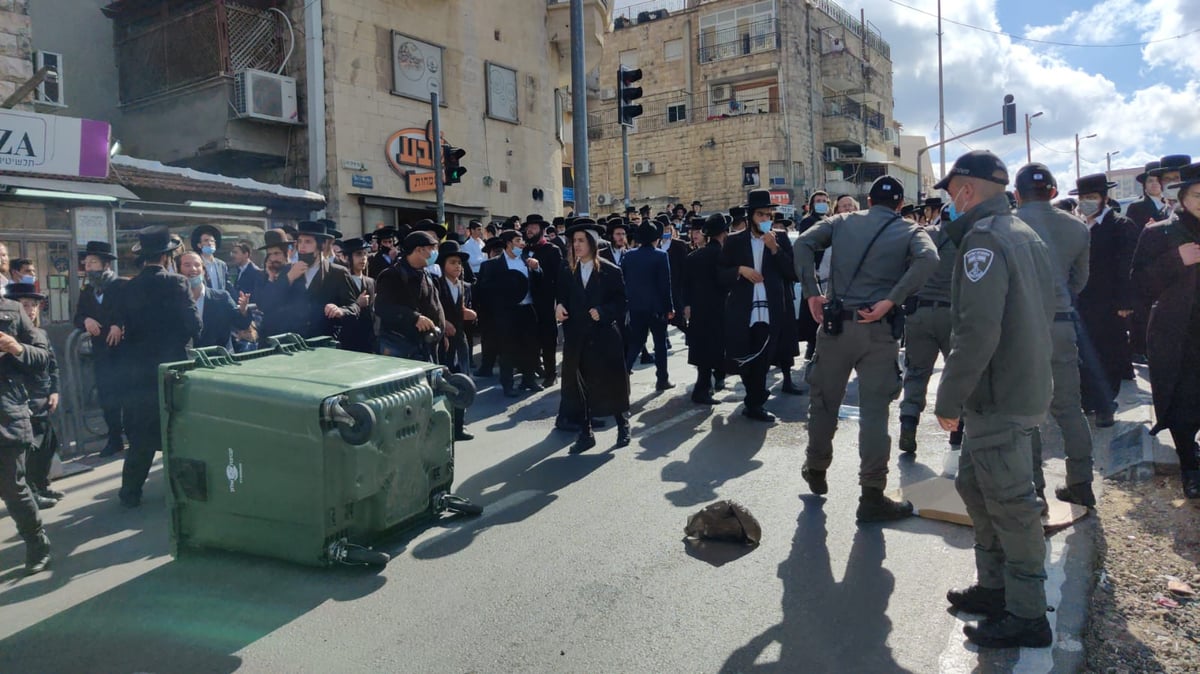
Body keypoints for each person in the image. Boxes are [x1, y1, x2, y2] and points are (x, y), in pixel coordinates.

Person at [932, 150, 1056, 649]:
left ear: (966, 190)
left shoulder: (984, 240)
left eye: (952, 193)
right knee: (975, 488)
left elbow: (977, 330)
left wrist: (948, 397)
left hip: (1000, 394)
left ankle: (1026, 615)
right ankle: (994, 587)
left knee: (1010, 506)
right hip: (1014, 387)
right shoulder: (1024, 232)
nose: (950, 203)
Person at [794, 176, 937, 521]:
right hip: (879, 330)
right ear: (901, 205)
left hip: (835, 325)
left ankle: (816, 467)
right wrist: (892, 299)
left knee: (824, 402)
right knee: (875, 413)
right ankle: (871, 495)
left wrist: (812, 290)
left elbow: (802, 244)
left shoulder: (842, 221)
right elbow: (929, 259)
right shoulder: (909, 230)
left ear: (869, 201)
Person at [1013, 163, 1096, 507]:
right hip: (1061, 322)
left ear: (1016, 194)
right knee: (1069, 407)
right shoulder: (1077, 227)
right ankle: (1081, 481)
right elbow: (1080, 281)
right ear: (1053, 192)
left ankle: (1035, 490)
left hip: (1020, 325)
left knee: (1025, 411)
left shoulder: (1005, 225)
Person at [119, 225, 203, 508]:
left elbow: (126, 329)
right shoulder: (177, 283)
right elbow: (195, 324)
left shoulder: (128, 287)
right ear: (167, 256)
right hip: (173, 369)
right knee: (178, 431)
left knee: (141, 436)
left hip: (139, 373)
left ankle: (130, 493)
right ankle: (182, 493)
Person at [1131, 161, 1200, 499]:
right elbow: (1140, 283)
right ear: (1183, 196)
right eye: (1197, 194)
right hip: (1179, 332)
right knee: (1184, 400)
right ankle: (1189, 464)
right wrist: (1176, 259)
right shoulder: (1159, 232)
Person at [722, 189, 799, 422]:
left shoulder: (781, 238)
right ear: (750, 217)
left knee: (764, 356)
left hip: (771, 307)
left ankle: (756, 402)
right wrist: (740, 270)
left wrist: (775, 249)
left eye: (769, 215)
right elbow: (719, 273)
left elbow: (793, 272)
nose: (766, 220)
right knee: (745, 356)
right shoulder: (734, 241)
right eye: (761, 215)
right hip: (743, 308)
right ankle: (752, 397)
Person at [556, 219, 631, 453]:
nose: (576, 245)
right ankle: (586, 433)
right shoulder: (568, 269)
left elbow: (621, 302)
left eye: (581, 240)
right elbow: (561, 295)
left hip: (604, 337)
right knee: (580, 387)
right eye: (574, 241)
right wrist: (558, 306)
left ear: (592, 242)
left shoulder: (610, 270)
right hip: (577, 338)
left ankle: (622, 424)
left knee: (612, 383)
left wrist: (603, 312)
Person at [1072, 173, 1139, 427]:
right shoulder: (1076, 225)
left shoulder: (1120, 225)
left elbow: (1127, 265)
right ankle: (1088, 400)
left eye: (1092, 197)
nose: (1087, 202)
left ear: (1104, 198)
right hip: (1079, 302)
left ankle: (1105, 404)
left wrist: (1125, 301)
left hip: (1109, 303)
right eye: (1083, 198)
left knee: (1108, 353)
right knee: (1083, 354)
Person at [898, 197, 960, 454]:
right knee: (957, 375)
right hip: (954, 315)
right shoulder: (969, 241)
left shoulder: (922, 236)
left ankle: (909, 423)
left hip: (919, 313)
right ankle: (957, 435)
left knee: (916, 372)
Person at [0, 281, 51, 574]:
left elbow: (42, 358)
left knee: (13, 488)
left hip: (6, 415)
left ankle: (36, 543)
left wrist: (16, 348)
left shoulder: (12, 310)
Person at [6, 282, 62, 510]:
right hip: (24, 401)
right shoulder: (11, 338)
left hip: (44, 398)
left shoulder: (41, 334)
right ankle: (32, 493)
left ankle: (42, 484)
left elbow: (52, 365)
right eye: (25, 305)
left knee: (48, 445)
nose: (30, 310)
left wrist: (54, 390)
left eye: (34, 305)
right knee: (30, 452)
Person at [255, 220, 360, 340]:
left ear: (322, 245)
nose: (302, 247)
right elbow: (266, 304)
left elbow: (354, 307)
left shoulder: (338, 273)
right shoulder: (288, 270)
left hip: (324, 344)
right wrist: (288, 278)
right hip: (294, 345)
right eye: (299, 241)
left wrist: (341, 311)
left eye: (308, 242)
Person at [73, 241, 128, 458]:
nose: (88, 267)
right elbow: (77, 315)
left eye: (93, 262)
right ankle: (114, 439)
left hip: (124, 350)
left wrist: (119, 324)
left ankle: (133, 436)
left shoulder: (121, 285)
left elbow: (132, 311)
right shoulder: (87, 291)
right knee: (107, 397)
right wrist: (86, 320)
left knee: (128, 395)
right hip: (102, 352)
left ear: (106, 264)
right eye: (86, 263)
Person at [477, 230, 542, 396]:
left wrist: (536, 269)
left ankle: (529, 379)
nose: (522, 243)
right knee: (507, 348)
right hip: (506, 312)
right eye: (517, 240)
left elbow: (540, 284)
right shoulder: (492, 265)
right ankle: (508, 383)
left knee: (530, 346)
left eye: (522, 240)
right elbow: (484, 290)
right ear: (508, 243)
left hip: (527, 308)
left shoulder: (527, 261)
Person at [682, 213, 733, 404]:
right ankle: (702, 390)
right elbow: (725, 282)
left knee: (702, 350)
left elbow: (685, 284)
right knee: (714, 349)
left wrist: (687, 305)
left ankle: (705, 387)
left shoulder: (694, 256)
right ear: (724, 233)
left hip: (698, 308)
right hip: (717, 308)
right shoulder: (721, 255)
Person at [374, 231, 446, 362]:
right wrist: (414, 318)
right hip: (401, 347)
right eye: (430, 249)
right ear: (418, 250)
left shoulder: (425, 274)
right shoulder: (392, 275)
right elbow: (382, 307)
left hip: (426, 345)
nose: (433, 253)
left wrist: (441, 332)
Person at [622, 221, 674, 390]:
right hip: (657, 308)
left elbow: (624, 281)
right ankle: (662, 379)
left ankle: (624, 373)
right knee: (660, 344)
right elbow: (665, 285)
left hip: (636, 306)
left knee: (636, 342)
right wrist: (669, 308)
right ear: (655, 239)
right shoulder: (660, 256)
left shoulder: (628, 255)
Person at [436, 240, 477, 441]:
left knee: (462, 382)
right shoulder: (435, 284)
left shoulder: (465, 286)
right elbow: (432, 311)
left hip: (460, 341)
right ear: (443, 264)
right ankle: (446, 427)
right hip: (441, 342)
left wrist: (470, 314)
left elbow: (464, 311)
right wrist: (444, 326)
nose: (457, 267)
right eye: (453, 262)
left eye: (459, 263)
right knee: (444, 383)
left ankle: (459, 427)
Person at [521, 215, 563, 387]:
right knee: (530, 339)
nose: (530, 230)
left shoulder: (552, 250)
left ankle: (551, 374)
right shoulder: (522, 251)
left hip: (546, 302)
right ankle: (531, 374)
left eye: (533, 227)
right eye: (528, 227)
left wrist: (559, 303)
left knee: (547, 339)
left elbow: (559, 278)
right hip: (526, 303)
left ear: (542, 230)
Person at [179, 251, 252, 350]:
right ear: (178, 271)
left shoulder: (221, 297)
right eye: (187, 265)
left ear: (204, 271)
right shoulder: (175, 300)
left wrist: (243, 311)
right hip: (188, 360)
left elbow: (241, 324)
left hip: (219, 358)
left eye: (197, 265)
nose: (193, 269)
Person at [337, 237, 377, 354]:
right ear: (345, 257)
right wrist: (357, 304)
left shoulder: (370, 282)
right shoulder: (339, 280)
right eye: (358, 254)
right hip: (347, 340)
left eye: (365, 254)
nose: (363, 258)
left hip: (367, 340)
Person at [191, 224, 228, 291]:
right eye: (206, 240)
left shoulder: (222, 265)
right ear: (199, 245)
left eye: (212, 241)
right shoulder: (195, 264)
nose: (210, 243)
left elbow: (226, 285)